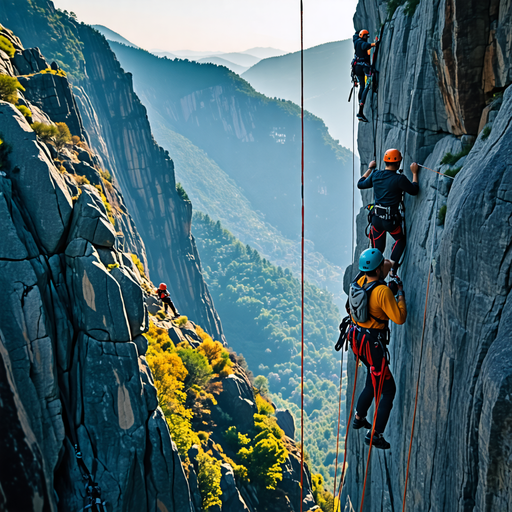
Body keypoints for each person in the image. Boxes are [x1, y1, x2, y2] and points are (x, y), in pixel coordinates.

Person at [349, 248, 407, 449]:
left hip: (358, 340)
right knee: (388, 390)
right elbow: (399, 318)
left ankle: (359, 417)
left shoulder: (359, 281)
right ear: (378, 267)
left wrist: (390, 266)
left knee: (372, 381)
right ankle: (376, 434)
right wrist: (399, 292)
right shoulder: (382, 292)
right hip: (373, 345)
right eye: (383, 264)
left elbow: (387, 264)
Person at [357, 149, 419, 276]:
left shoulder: (375, 175)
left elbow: (360, 184)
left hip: (376, 220)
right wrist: (414, 173)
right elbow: (414, 190)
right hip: (390, 221)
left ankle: (373, 274)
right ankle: (392, 269)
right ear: (398, 163)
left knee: (377, 250)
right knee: (400, 240)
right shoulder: (399, 179)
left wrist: (370, 168)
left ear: (385, 161)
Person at [352, 29, 378, 122]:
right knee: (367, 85)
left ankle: (360, 106)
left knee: (362, 86)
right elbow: (364, 46)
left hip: (356, 68)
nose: (367, 38)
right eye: (366, 36)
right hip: (363, 67)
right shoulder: (361, 43)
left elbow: (355, 35)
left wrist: (360, 31)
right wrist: (373, 44)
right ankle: (361, 110)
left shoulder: (356, 39)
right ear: (363, 36)